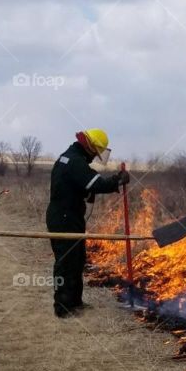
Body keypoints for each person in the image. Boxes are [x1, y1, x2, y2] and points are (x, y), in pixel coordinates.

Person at [47, 128, 128, 318]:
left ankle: (74, 301)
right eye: (96, 152)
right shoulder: (75, 162)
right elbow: (97, 183)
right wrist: (118, 180)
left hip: (68, 215)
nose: (95, 156)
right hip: (64, 218)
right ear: (90, 147)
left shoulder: (70, 157)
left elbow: (76, 185)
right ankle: (62, 307)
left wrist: (86, 193)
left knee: (77, 259)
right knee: (66, 262)